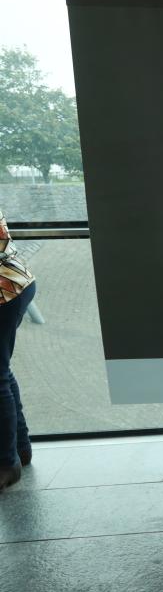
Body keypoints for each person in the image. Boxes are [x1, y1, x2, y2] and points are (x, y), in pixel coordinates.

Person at [0, 207, 36, 491]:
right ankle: (20, 451)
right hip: (14, 283)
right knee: (1, 371)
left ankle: (6, 462)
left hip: (4, 290)